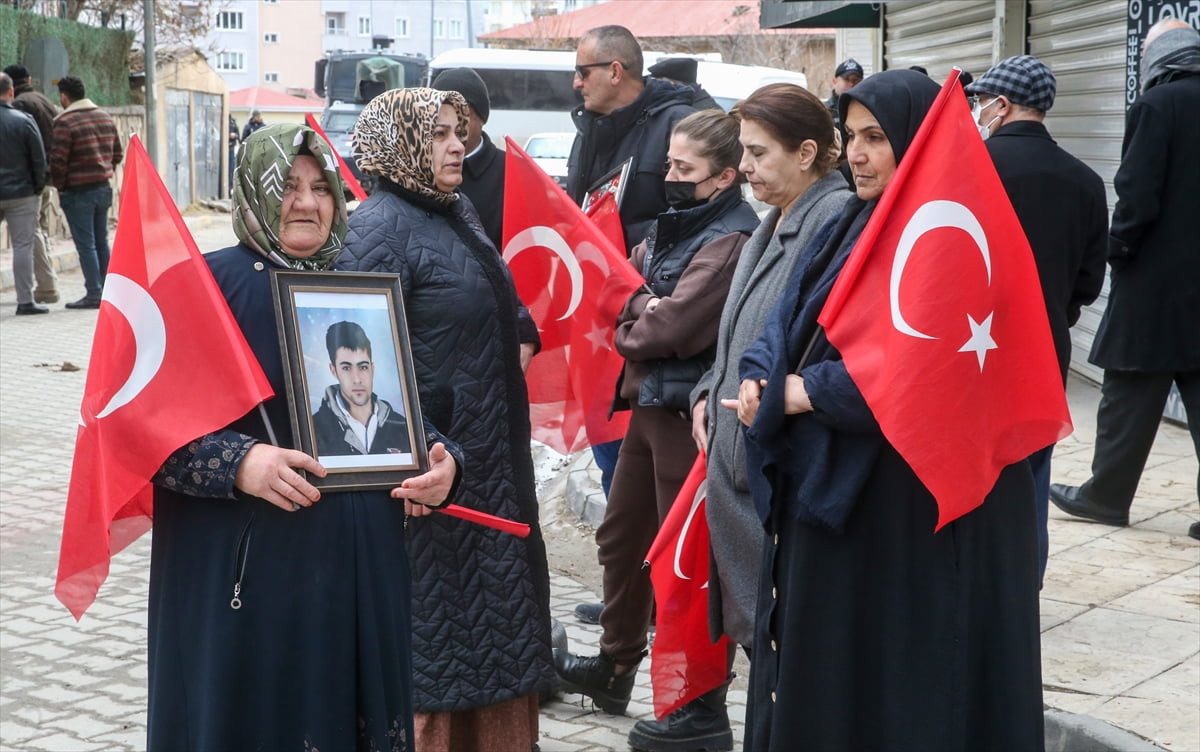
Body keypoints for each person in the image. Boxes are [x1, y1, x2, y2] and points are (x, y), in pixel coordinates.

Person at [732, 70, 1044, 750]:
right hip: (842, 503)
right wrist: (762, 376)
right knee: (837, 675)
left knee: (909, 678)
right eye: (851, 137)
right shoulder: (850, 217)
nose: (858, 155)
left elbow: (935, 368)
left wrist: (806, 392)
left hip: (917, 511)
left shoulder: (950, 227)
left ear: (917, 141)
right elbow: (785, 321)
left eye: (876, 138)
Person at [147, 122, 463, 751]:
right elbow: (143, 431)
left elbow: (397, 411)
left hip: (361, 573)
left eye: (322, 187)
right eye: (287, 185)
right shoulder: (200, 289)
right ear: (253, 190)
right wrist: (242, 462)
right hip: (250, 572)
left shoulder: (359, 285)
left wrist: (442, 462)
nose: (307, 202)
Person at [339, 87, 554, 752]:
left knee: (497, 641)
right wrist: (413, 453)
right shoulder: (373, 232)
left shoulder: (451, 211)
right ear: (395, 145)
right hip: (430, 483)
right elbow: (354, 364)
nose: (457, 144)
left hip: (485, 463)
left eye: (457, 131)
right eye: (436, 135)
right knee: (437, 656)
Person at [555, 109, 758, 743]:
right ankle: (615, 668)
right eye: (668, 162)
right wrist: (641, 307)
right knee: (621, 541)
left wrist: (636, 313)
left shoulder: (730, 237)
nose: (667, 175)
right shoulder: (677, 224)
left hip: (688, 418)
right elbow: (616, 288)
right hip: (649, 406)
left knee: (688, 564)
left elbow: (670, 328)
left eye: (682, 168)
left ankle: (693, 701)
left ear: (724, 176)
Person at [682, 82, 851, 749]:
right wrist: (705, 393)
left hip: (773, 483)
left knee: (789, 669)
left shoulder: (830, 220)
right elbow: (741, 337)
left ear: (807, 153)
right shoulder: (775, 216)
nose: (744, 167)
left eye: (758, 152)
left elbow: (806, 350)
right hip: (736, 470)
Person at [1049, 20, 1200, 541]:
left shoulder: (1158, 106)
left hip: (1156, 282)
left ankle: (1106, 497)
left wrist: (1120, 249)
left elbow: (1137, 191)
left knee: (1129, 390)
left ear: (1156, 59)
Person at [967, 55, 1108, 581]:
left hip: (968, 347)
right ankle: (1024, 582)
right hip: (1044, 349)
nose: (979, 111)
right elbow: (1088, 284)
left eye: (982, 102)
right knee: (1029, 469)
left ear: (1001, 106)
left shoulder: (972, 169)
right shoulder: (1087, 181)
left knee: (969, 465)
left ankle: (971, 582)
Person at [566, 24, 697, 503]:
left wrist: (629, 261)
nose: (576, 83)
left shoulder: (677, 125)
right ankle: (624, 568)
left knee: (645, 479)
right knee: (610, 466)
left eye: (583, 72)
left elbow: (698, 224)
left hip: (650, 320)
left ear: (615, 71)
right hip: (598, 319)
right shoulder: (588, 130)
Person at [49, 75, 122, 310]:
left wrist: (61, 186)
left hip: (78, 192)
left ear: (64, 97)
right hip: (103, 189)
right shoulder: (104, 116)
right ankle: (109, 292)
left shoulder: (65, 122)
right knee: (101, 242)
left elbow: (58, 161)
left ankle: (93, 293)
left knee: (86, 245)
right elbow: (118, 154)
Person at [312, 320, 412, 457]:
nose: (357, 379)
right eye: (346, 368)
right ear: (333, 370)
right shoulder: (313, 430)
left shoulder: (403, 426)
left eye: (363, 367)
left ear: (372, 368)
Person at [431, 67, 506, 250]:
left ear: (481, 118)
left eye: (462, 116)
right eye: (442, 116)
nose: (453, 124)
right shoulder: (418, 168)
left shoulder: (511, 173)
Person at [4, 63, 61, 304]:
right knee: (36, 234)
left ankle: (44, 287)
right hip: (37, 182)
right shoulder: (44, 101)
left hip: (23, 183)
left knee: (28, 239)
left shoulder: (19, 106)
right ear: (28, 78)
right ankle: (45, 286)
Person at [648, 57, 720, 111]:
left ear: (674, 83)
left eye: (661, 81)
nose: (657, 85)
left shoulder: (701, 110)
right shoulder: (692, 102)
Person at [823, 58, 864, 132]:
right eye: (847, 79)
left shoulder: (868, 109)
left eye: (855, 80)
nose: (851, 84)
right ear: (835, 82)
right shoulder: (826, 111)